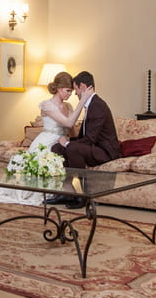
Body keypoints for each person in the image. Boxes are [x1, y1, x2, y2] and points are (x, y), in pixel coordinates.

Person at [0, 71, 89, 206]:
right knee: (41, 165)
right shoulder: (47, 105)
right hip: (47, 140)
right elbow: (67, 122)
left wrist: (74, 144)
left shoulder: (69, 106)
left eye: (71, 91)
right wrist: (82, 103)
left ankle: (66, 194)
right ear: (58, 88)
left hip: (62, 142)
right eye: (67, 90)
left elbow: (71, 129)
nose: (69, 94)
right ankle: (51, 193)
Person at [47, 71, 121, 209]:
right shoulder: (91, 104)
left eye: (75, 90)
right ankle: (67, 192)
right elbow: (84, 137)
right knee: (57, 148)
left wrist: (69, 143)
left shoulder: (97, 105)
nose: (75, 94)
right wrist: (66, 142)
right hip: (94, 147)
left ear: (82, 86)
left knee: (72, 147)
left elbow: (90, 139)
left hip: (105, 152)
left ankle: (84, 197)